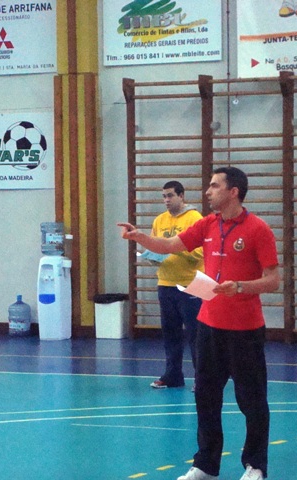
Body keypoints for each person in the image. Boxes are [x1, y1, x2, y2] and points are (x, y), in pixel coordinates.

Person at [119, 167, 280, 480]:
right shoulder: (207, 224)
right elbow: (169, 246)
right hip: (209, 326)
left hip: (245, 331)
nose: (208, 191)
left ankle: (255, 465)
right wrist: (139, 236)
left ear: (233, 191)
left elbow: (273, 279)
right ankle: (206, 465)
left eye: (214, 186)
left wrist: (241, 287)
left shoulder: (258, 229)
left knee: (252, 401)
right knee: (205, 398)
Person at [149, 181, 203, 389]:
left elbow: (200, 253)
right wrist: (152, 256)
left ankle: (202, 379)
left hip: (191, 284)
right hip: (166, 283)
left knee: (196, 335)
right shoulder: (159, 220)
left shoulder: (195, 219)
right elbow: (155, 246)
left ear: (182, 196)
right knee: (170, 334)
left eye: (170, 195)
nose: (166, 200)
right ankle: (173, 376)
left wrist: (175, 247)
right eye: (164, 196)